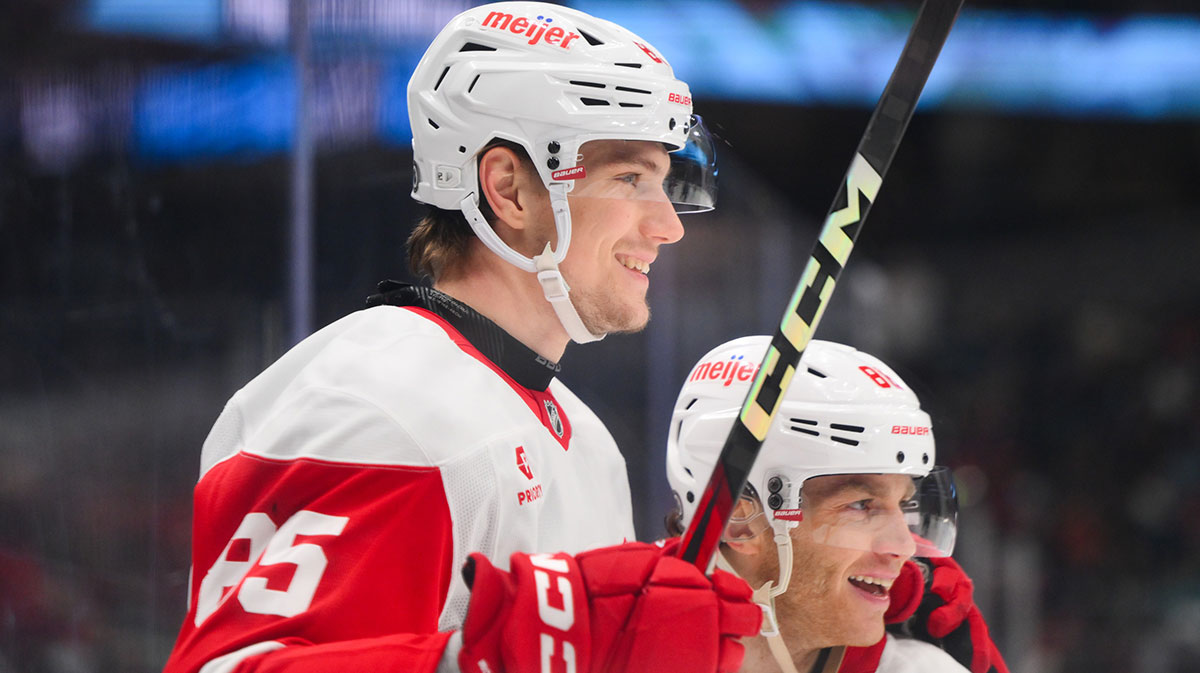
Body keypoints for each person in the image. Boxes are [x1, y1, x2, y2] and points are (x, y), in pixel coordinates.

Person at [161, 3, 759, 673]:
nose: (668, 226)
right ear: (508, 189)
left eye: (663, 180)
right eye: (629, 179)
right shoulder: (379, 408)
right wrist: (498, 657)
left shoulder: (584, 440)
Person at [666, 336, 1010, 673]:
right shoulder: (621, 646)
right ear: (740, 521)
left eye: (904, 504)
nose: (905, 547)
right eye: (862, 505)